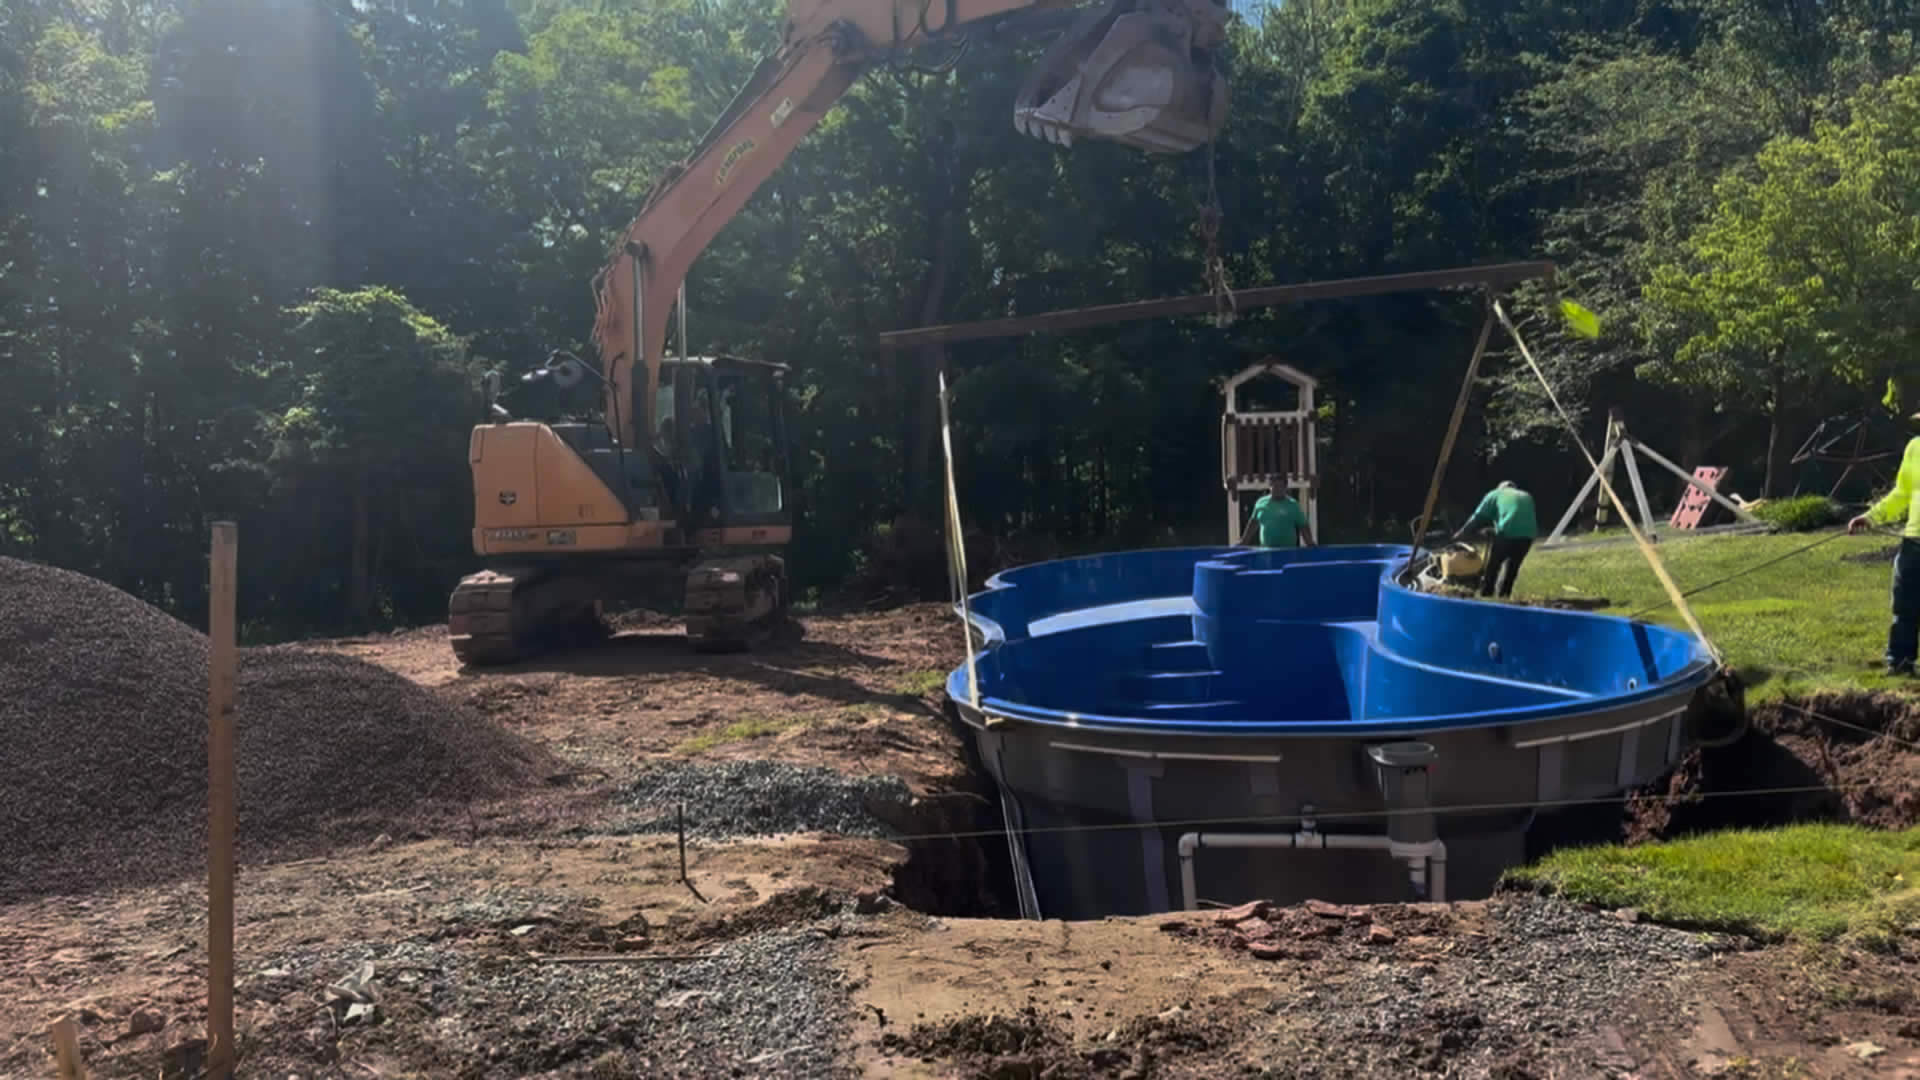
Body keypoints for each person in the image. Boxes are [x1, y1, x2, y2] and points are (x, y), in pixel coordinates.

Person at [1848, 426, 1920, 674]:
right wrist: (1870, 518)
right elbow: (1901, 493)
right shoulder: (1915, 448)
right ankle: (1900, 663)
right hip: (1913, 541)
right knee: (1904, 604)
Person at [1454, 481, 1538, 598]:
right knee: (1513, 566)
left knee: (1494, 565)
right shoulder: (1525, 495)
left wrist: (1463, 532)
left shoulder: (1495, 494)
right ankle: (1504, 594)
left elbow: (1478, 517)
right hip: (1528, 534)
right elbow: (1514, 514)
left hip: (1508, 531)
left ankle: (1486, 593)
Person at [1239, 479, 1314, 548]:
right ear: (1270, 487)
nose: (1278, 489)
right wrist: (1244, 542)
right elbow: (1253, 523)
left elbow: (1303, 525)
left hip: (1287, 551)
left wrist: (1309, 542)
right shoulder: (1260, 503)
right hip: (1266, 551)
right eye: (1275, 486)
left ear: (1285, 488)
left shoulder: (1293, 505)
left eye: (1281, 486)